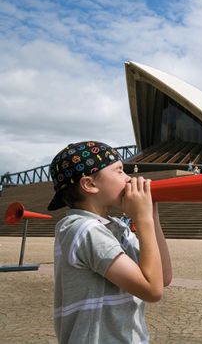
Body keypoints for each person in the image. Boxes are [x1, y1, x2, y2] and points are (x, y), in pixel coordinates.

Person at [48, 141, 172, 343]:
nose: (128, 179)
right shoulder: (81, 229)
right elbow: (152, 290)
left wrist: (152, 215)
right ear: (89, 184)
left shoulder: (116, 228)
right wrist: (143, 219)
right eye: (120, 171)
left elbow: (163, 277)